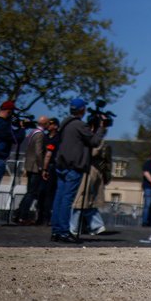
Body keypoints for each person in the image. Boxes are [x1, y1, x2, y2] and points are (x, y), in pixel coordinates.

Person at [47, 98, 107, 243]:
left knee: (59, 198)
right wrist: (102, 128)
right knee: (67, 200)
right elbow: (94, 142)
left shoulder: (65, 123)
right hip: (74, 166)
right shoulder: (79, 125)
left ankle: (56, 230)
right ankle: (63, 231)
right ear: (82, 110)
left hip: (61, 165)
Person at [13, 115, 50, 224]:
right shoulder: (40, 135)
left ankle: (19, 212)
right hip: (35, 167)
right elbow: (39, 152)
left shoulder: (32, 133)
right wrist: (41, 166)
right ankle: (22, 215)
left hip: (29, 165)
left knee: (29, 191)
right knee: (31, 192)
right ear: (45, 124)